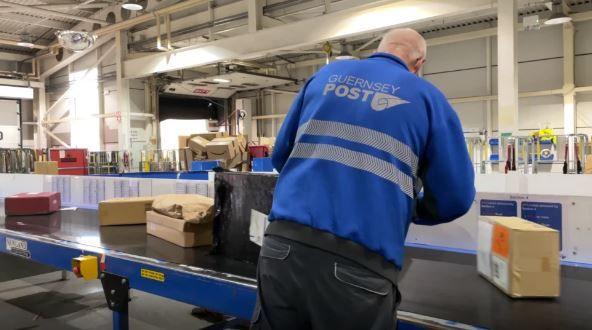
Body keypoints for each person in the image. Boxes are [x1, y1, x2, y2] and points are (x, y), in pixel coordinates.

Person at [251, 28, 475, 330]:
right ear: (419, 62)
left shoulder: (324, 77)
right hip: (358, 270)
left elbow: (280, 156)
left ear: (379, 49)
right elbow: (455, 198)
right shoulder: (428, 98)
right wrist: (409, 209)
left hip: (282, 250)